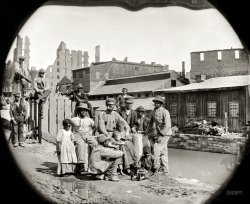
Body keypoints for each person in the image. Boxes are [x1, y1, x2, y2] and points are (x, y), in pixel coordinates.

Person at [147, 96, 172, 174]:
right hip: (159, 133)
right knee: (163, 152)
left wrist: (161, 135)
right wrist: (147, 131)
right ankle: (165, 170)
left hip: (165, 133)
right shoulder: (153, 112)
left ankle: (156, 168)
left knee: (156, 148)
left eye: (158, 102)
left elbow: (167, 124)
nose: (156, 104)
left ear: (161, 104)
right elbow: (151, 123)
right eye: (155, 102)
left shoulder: (165, 112)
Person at [69, 102, 95, 174]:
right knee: (81, 145)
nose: (84, 112)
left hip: (87, 135)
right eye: (82, 110)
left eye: (85, 110)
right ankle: (81, 165)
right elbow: (67, 126)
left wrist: (91, 133)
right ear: (78, 111)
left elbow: (94, 127)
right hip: (77, 135)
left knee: (94, 144)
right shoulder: (74, 119)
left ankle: (94, 166)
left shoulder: (89, 120)